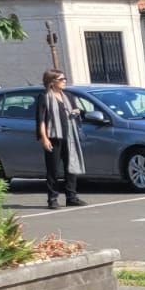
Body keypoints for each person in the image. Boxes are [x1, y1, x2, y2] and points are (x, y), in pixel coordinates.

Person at [35, 68, 86, 208]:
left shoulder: (68, 96)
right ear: (52, 82)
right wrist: (44, 138)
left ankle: (71, 196)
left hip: (70, 136)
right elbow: (41, 120)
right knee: (53, 169)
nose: (64, 82)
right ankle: (52, 199)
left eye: (65, 79)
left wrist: (76, 112)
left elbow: (75, 112)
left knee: (71, 166)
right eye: (61, 79)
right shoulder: (44, 97)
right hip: (53, 137)